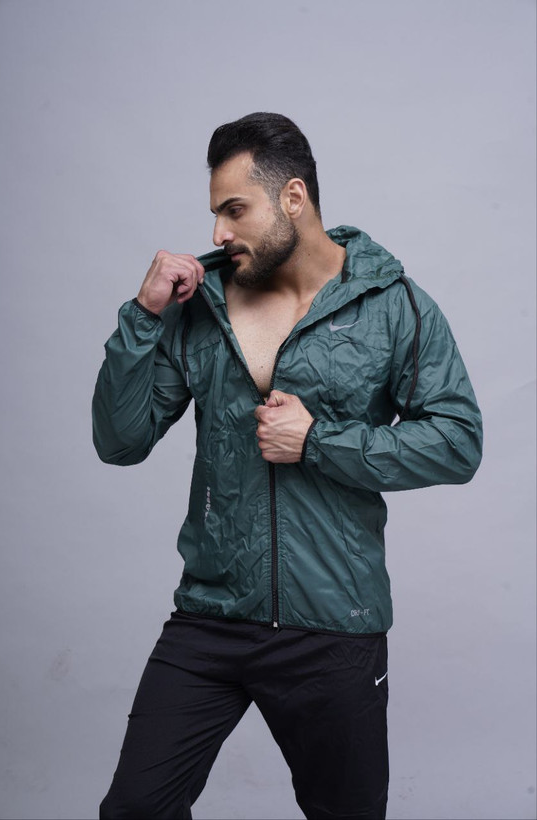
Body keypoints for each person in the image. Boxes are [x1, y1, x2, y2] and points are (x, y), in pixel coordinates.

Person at [93, 112, 482, 820]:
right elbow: (120, 441)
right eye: (215, 213)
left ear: (292, 198)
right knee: (136, 809)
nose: (218, 232)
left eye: (234, 209)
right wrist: (143, 317)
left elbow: (458, 441)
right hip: (210, 615)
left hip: (335, 625)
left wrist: (319, 441)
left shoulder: (392, 305)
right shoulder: (198, 305)